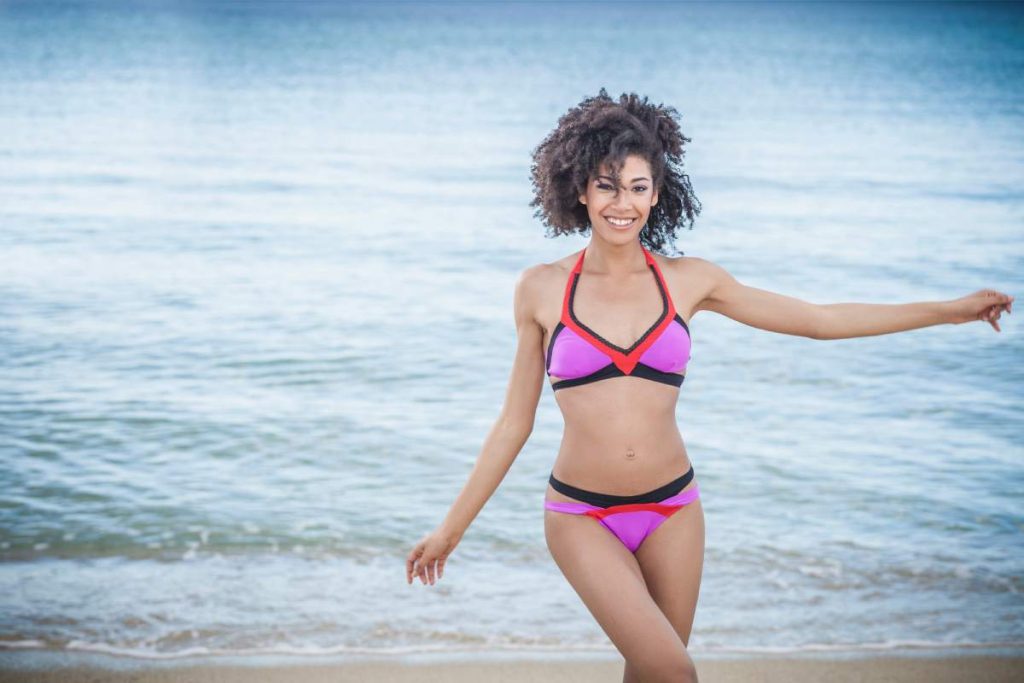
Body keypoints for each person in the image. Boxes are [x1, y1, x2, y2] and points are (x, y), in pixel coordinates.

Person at [405, 88, 1013, 683]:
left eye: (638, 187)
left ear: (658, 194)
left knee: (651, 675)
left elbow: (819, 321)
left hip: (675, 509)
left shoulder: (690, 282)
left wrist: (948, 310)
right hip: (581, 515)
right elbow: (516, 421)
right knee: (674, 671)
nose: (624, 203)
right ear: (581, 191)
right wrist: (450, 530)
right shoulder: (540, 289)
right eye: (607, 186)